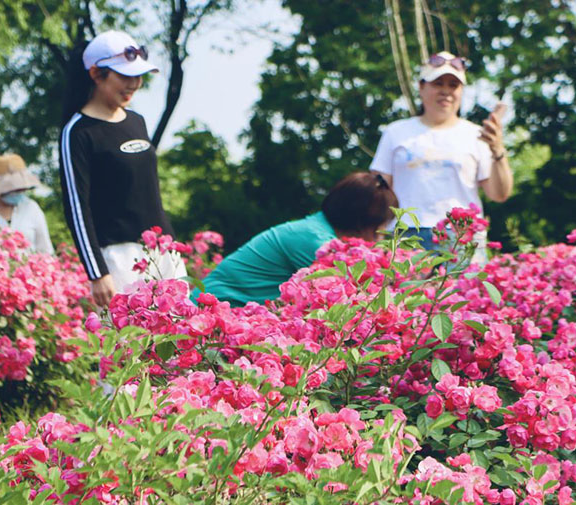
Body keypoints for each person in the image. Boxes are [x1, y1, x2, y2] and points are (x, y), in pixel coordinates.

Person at [59, 30, 184, 307]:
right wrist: (97, 272)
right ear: (95, 74)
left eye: (138, 76)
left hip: (163, 250)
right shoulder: (78, 132)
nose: (134, 84)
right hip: (118, 257)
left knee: (179, 342)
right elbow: (77, 208)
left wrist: (171, 249)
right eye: (125, 76)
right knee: (130, 347)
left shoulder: (137, 121)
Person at [369, 52, 513, 258]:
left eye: (453, 85)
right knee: (405, 291)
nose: (446, 91)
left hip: (462, 236)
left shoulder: (476, 135)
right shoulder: (396, 132)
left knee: (462, 291)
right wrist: (375, 238)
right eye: (438, 83)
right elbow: (378, 193)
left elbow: (499, 194)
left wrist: (498, 149)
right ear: (421, 87)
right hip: (406, 234)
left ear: (462, 91)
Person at [197, 172, 399, 307]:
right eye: (380, 227)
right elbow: (351, 305)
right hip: (210, 312)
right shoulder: (316, 243)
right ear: (361, 221)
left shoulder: (315, 228)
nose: (380, 237)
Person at [0, 153, 54, 254]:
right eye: (14, 189)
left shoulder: (31, 208)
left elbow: (46, 249)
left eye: (22, 189)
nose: (19, 193)